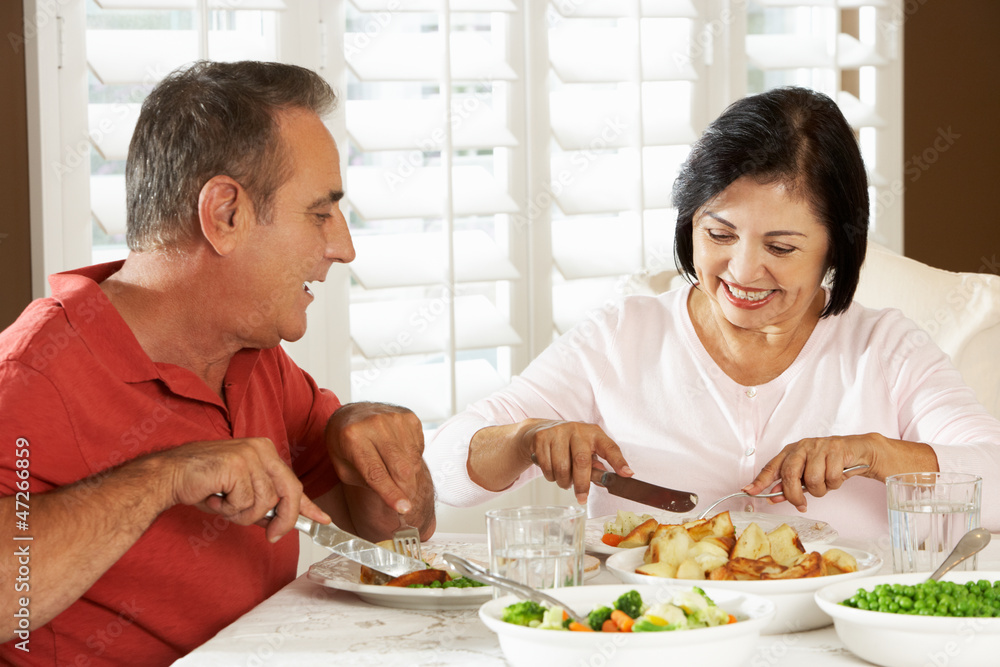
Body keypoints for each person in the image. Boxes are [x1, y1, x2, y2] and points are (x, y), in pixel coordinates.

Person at [0, 61, 435, 665]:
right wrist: (165, 476)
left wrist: (380, 447)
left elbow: (381, 533)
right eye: (319, 213)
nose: (343, 247)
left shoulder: (256, 359)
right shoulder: (33, 375)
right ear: (225, 214)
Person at [426, 86, 1000, 542]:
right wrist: (527, 438)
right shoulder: (622, 336)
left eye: (780, 248)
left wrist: (876, 454)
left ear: (837, 245)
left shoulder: (887, 349)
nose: (742, 272)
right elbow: (447, 467)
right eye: (718, 233)